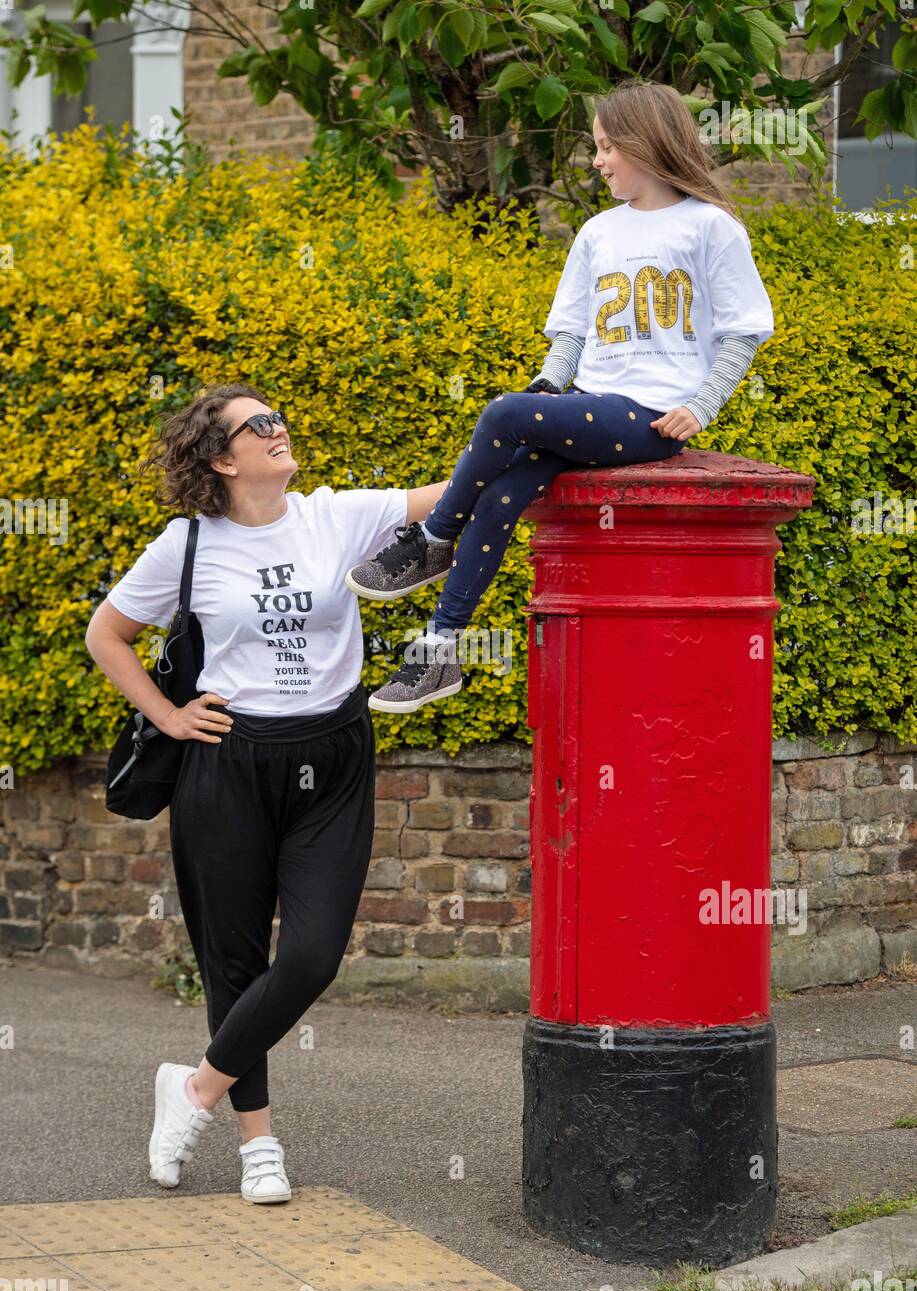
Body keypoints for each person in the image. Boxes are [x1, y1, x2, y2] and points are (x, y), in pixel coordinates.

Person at [85, 384, 448, 1202]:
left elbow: (453, 493)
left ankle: (193, 1090)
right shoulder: (185, 544)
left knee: (313, 955)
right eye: (258, 425)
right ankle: (258, 1145)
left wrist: (532, 438)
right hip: (229, 760)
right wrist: (168, 715)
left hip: (334, 753)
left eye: (279, 416)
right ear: (222, 459)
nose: (278, 428)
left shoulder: (337, 515)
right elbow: (107, 635)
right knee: (234, 961)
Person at [345, 79, 775, 713]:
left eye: (606, 147)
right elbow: (571, 333)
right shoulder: (598, 232)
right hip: (593, 408)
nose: (597, 161)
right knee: (501, 497)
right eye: (594, 147)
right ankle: (438, 653)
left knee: (504, 410)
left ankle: (434, 538)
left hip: (650, 419)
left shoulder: (710, 227)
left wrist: (702, 406)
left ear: (645, 141)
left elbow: (743, 331)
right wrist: (550, 385)